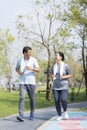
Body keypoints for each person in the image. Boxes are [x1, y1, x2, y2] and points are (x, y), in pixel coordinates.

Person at [15, 46, 40, 121]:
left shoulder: (33, 60)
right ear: (25, 53)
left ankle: (32, 113)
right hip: (22, 82)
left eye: (31, 52)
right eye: (29, 52)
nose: (31, 53)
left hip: (31, 82)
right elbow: (16, 68)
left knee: (32, 99)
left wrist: (32, 68)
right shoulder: (20, 60)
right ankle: (21, 115)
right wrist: (19, 72)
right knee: (22, 97)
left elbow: (38, 69)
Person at [51, 52, 72, 121]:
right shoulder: (53, 66)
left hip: (64, 86)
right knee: (56, 101)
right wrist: (52, 76)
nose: (55, 57)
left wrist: (64, 76)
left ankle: (65, 112)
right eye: (55, 55)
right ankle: (59, 115)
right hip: (55, 86)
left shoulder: (66, 66)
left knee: (63, 99)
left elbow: (70, 74)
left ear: (61, 57)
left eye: (56, 55)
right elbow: (51, 74)